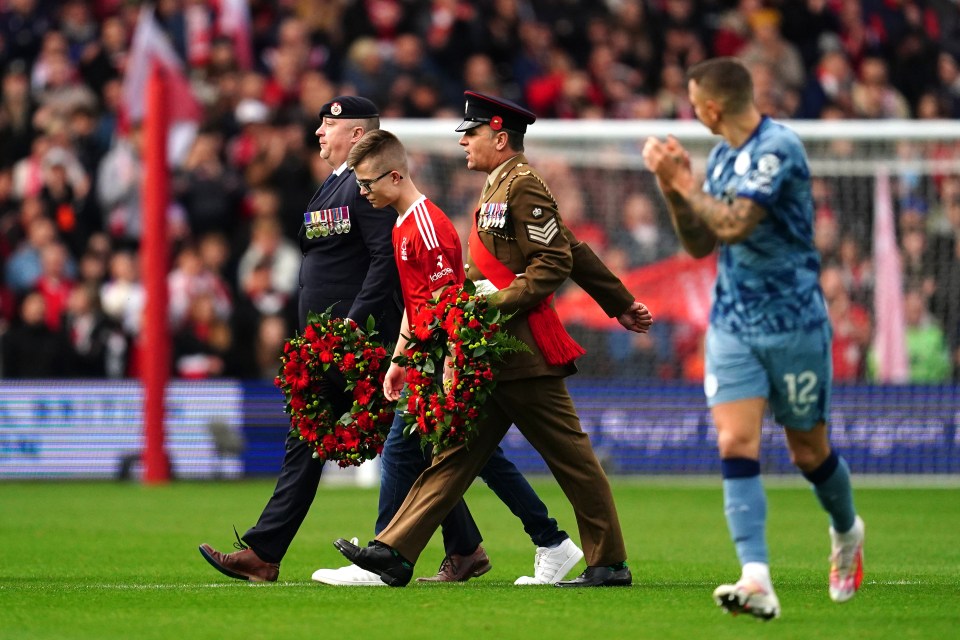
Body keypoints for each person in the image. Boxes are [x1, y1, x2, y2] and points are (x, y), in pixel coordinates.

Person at [334, 91, 652, 588]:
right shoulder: (499, 185)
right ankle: (392, 552)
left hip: (523, 352)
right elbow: (569, 247)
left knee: (572, 460)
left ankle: (608, 561)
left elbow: (555, 260)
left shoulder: (522, 185)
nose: (464, 141)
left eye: (473, 133)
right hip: (494, 350)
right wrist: (621, 302)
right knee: (453, 453)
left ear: (500, 137)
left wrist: (488, 305)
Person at [313, 128, 587, 587]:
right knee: (467, 457)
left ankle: (385, 558)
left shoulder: (427, 227)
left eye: (367, 183)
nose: (362, 191)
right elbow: (414, 305)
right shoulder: (402, 225)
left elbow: (447, 305)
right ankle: (523, 542)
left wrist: (446, 363)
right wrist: (399, 359)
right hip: (425, 359)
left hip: (444, 359)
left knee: (410, 453)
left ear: (396, 176)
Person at [641, 57, 865, 620]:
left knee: (806, 450)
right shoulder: (719, 159)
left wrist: (686, 184)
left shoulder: (778, 149)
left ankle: (847, 530)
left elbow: (737, 222)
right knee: (735, 443)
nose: (693, 113)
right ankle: (756, 577)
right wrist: (674, 188)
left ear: (713, 106)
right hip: (734, 326)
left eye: (694, 104)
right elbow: (700, 242)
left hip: (794, 326)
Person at [198, 96, 404, 582]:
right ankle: (264, 552)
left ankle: (470, 546)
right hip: (324, 345)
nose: (318, 133)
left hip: (360, 345)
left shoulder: (366, 186)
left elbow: (384, 258)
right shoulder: (331, 184)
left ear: (357, 136)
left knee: (414, 443)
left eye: (328, 125)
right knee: (310, 440)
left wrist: (353, 324)